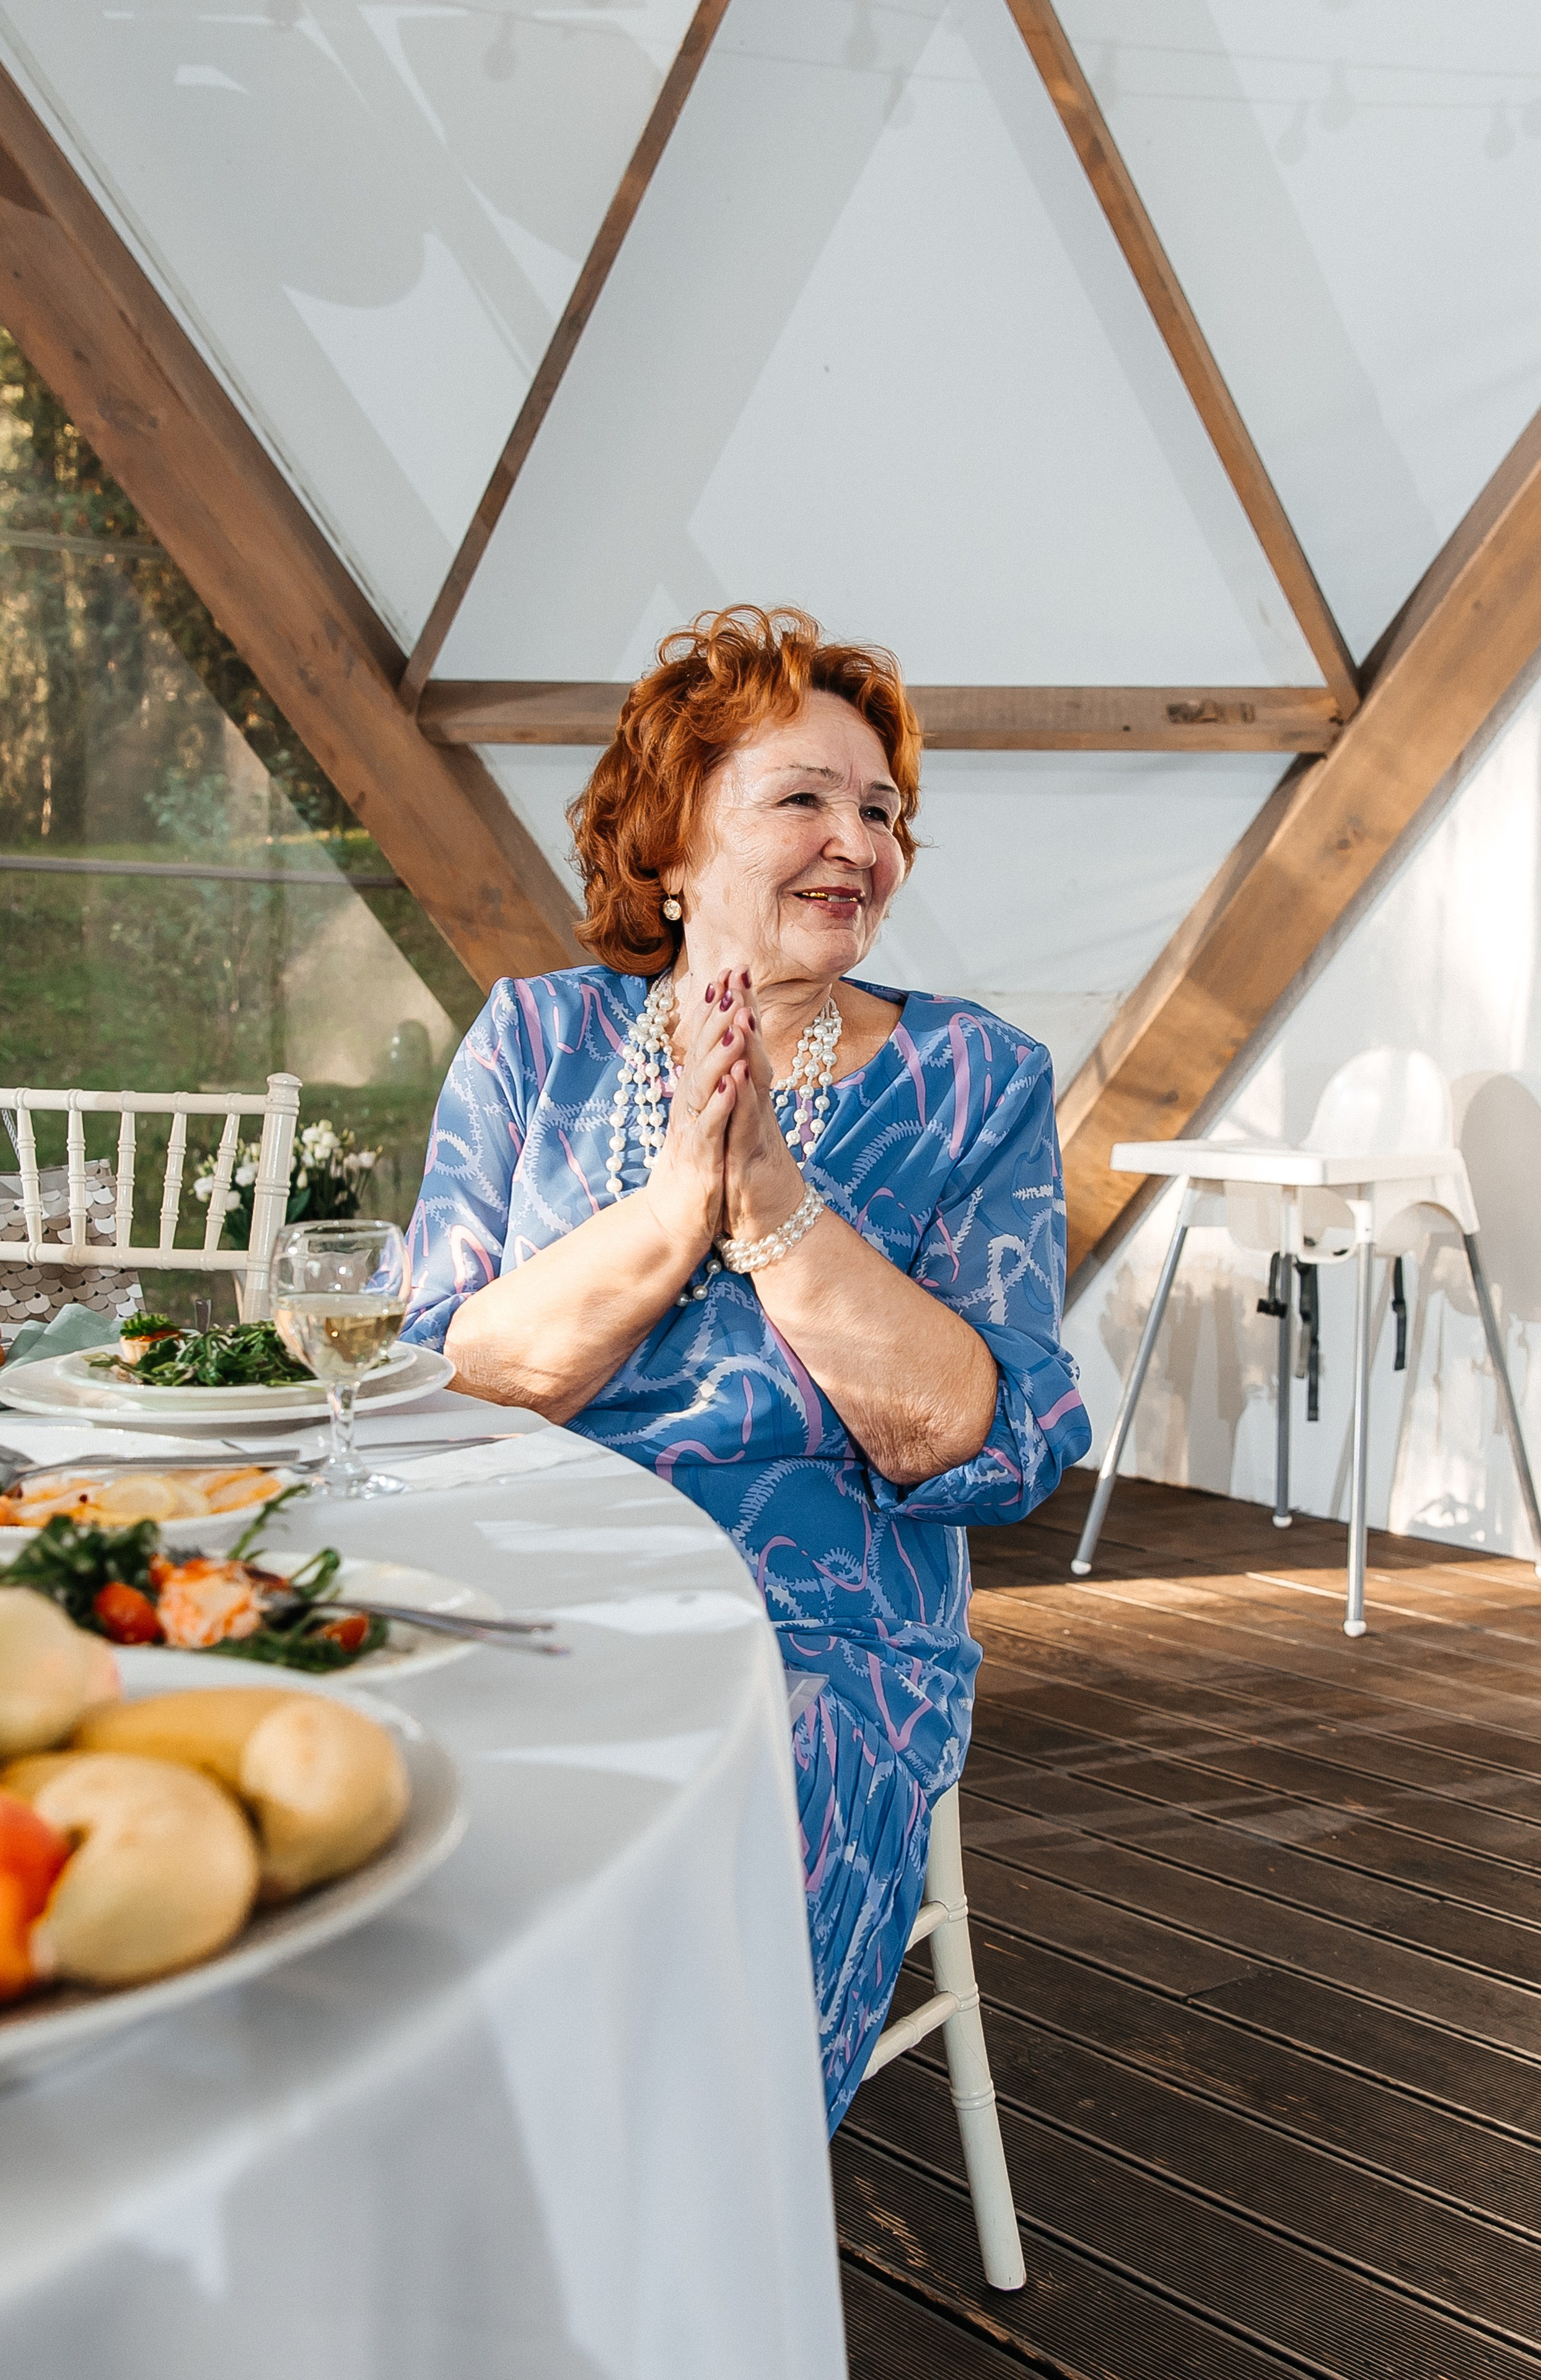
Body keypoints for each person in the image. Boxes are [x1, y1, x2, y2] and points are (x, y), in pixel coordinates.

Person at [401, 607, 1090, 2130]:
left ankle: (675, 2198)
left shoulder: (974, 1079)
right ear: (670, 842)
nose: (859, 842)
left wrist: (771, 1202)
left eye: (881, 811)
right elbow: (440, 1380)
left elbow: (969, 1436)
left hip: (819, 1630)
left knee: (757, 1765)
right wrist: (672, 1208)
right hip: (523, 1582)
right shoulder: (532, 1043)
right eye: (804, 798)